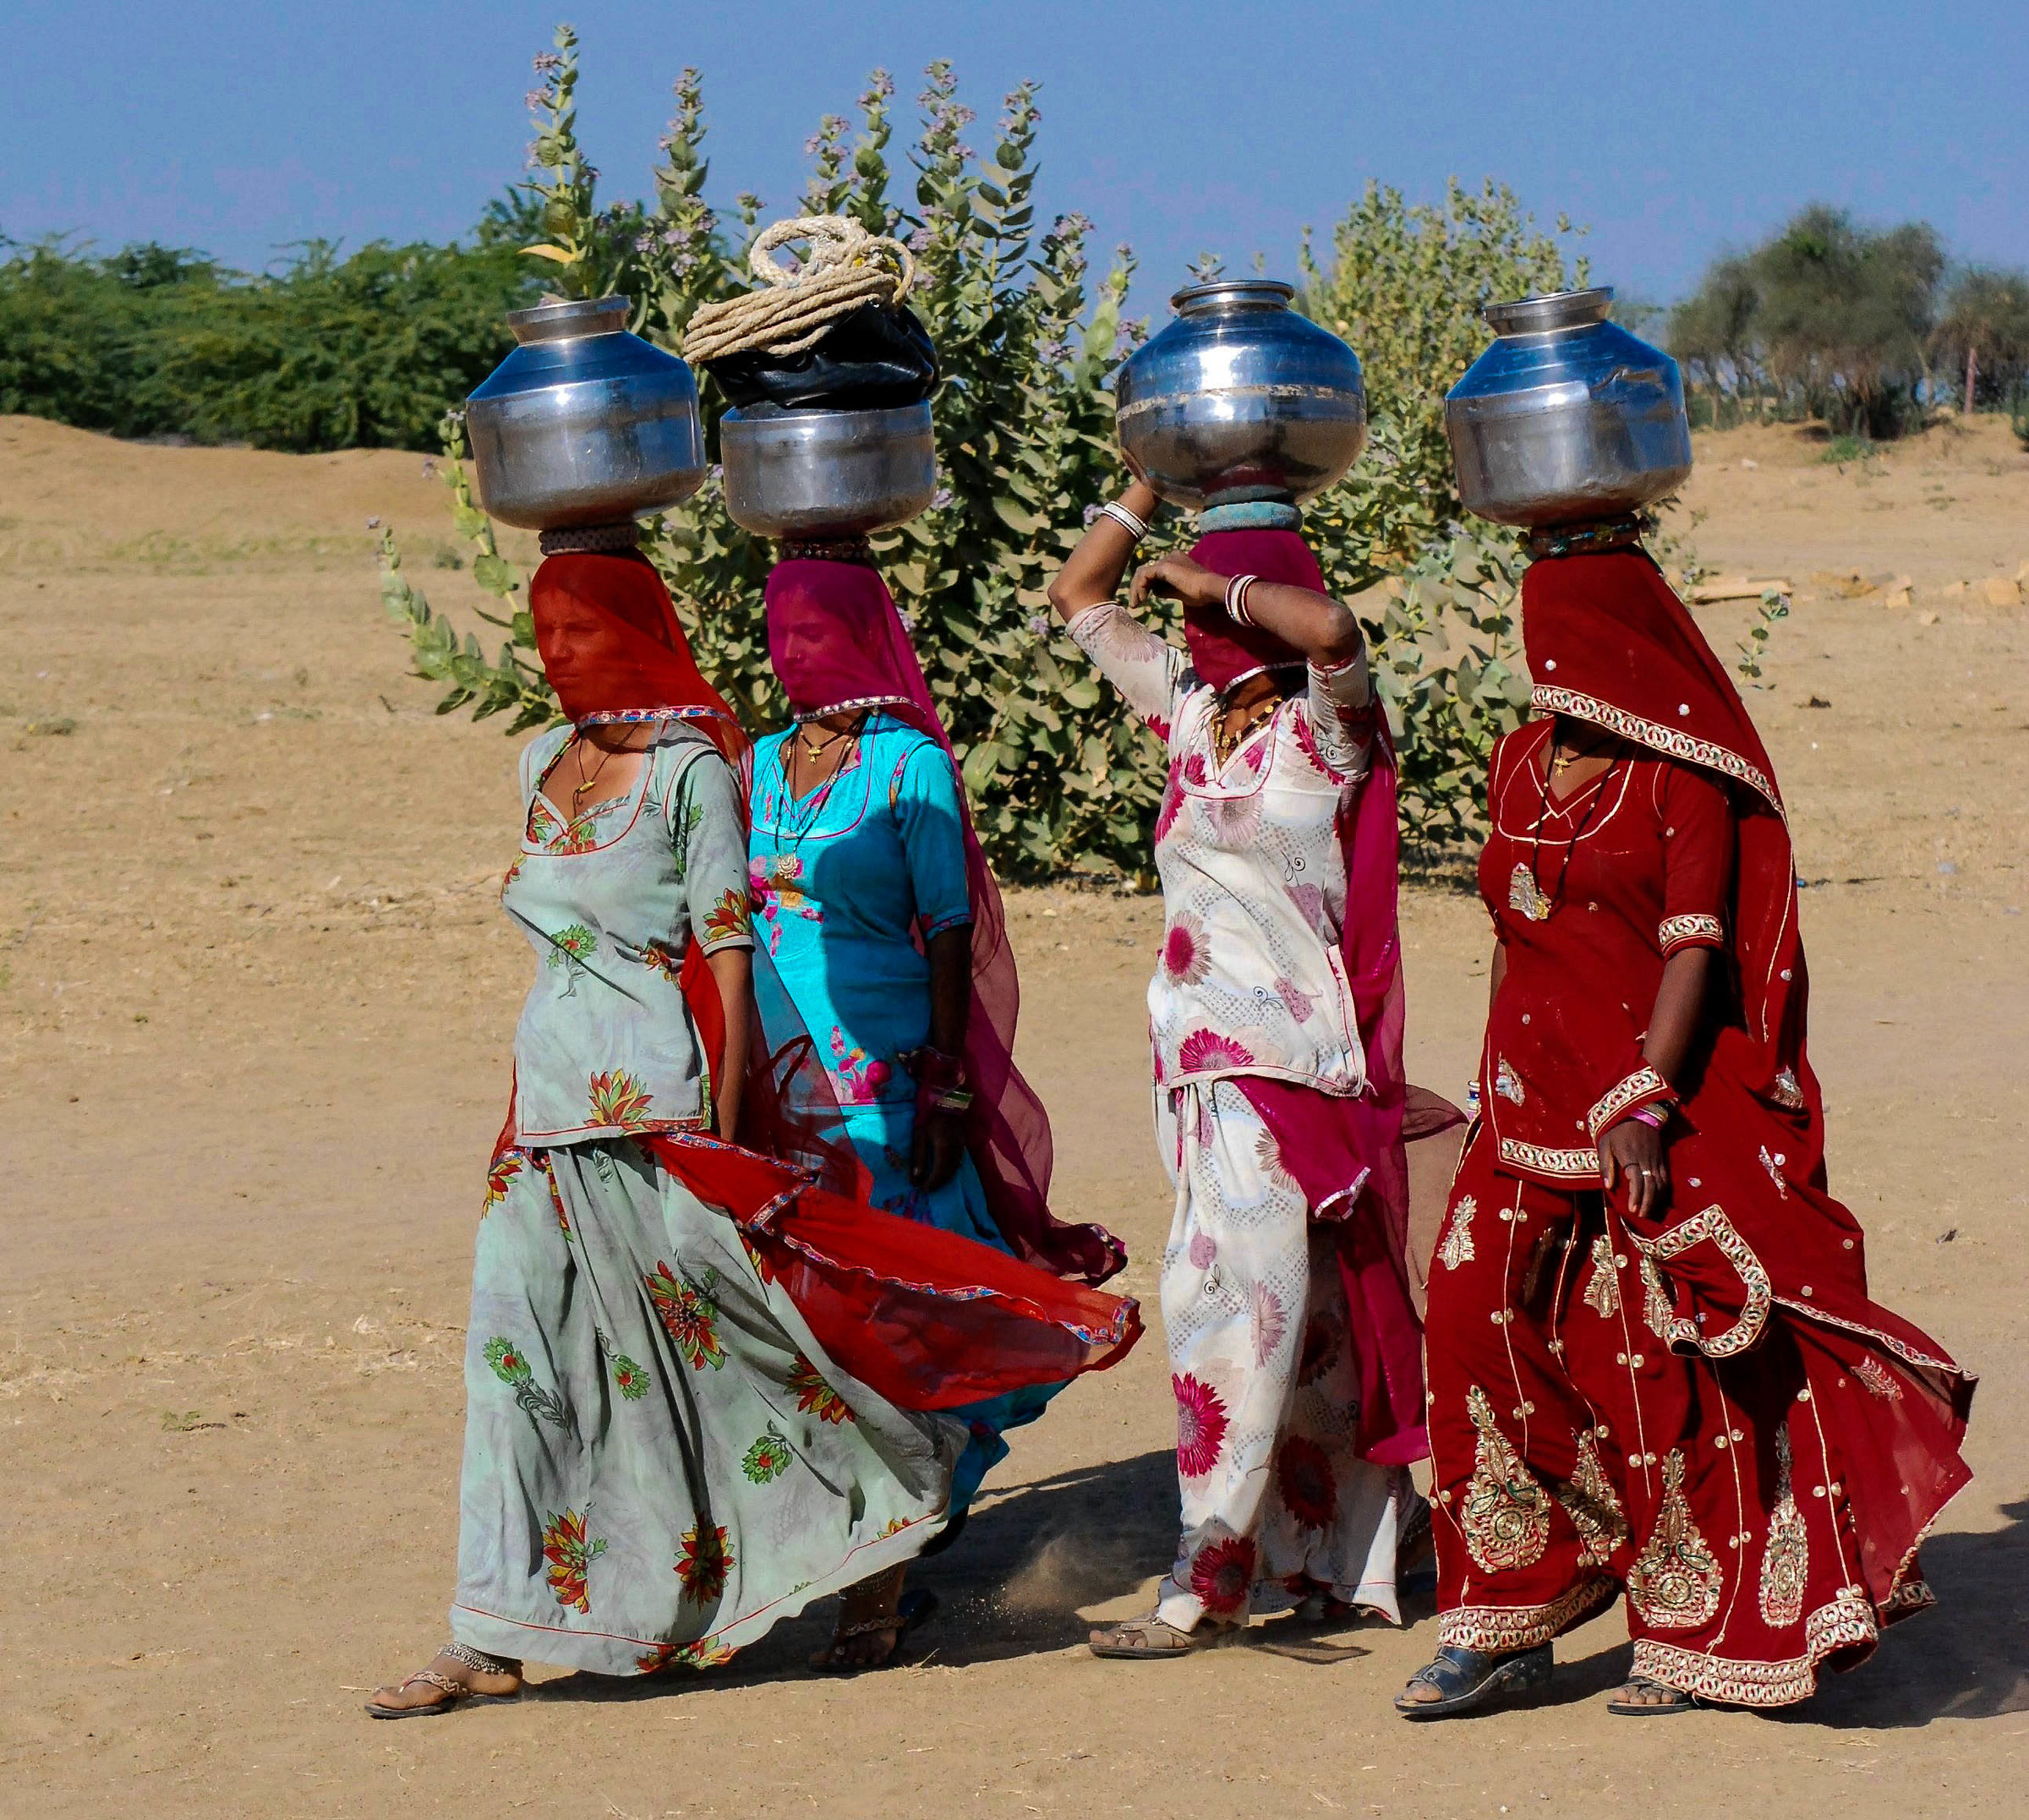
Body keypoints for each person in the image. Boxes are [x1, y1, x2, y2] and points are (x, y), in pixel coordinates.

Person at [367, 535, 1140, 1716]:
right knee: (516, 1367)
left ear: (632, 630)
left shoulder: (701, 774)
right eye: (546, 629)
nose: (555, 650)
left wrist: (743, 1136)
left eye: (580, 627)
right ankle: (490, 1630)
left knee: (746, 1341)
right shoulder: (539, 765)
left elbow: (730, 960)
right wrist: (518, 1116)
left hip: (679, 1112)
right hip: (546, 1120)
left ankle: (893, 1508)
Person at [1397, 535, 1974, 1719]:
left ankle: (1689, 1616)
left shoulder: (1680, 781)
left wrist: (1643, 1099)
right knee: (1468, 1327)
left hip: (1633, 1108)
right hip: (1519, 1099)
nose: (1549, 668)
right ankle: (1507, 1608)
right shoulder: (1514, 761)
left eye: (1570, 642)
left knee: (1646, 1365)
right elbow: (1518, 932)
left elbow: (1694, 948)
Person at [1047, 479, 1444, 1657]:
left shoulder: (1326, 726)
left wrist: (1205, 578)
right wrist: (1145, 491)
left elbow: (1334, 634)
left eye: (1237, 590)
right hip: (1196, 1070)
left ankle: (1205, 1574)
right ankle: (1357, 1553)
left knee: (1224, 1310)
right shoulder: (1190, 711)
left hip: (1291, 1069)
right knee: (1306, 1321)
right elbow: (1076, 597)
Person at [751, 542, 1130, 1664]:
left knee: (898, 1317)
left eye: (816, 627)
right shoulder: (756, 760)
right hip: (779, 1086)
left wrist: (951, 1081)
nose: (796, 648)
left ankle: (893, 1561)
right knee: (798, 1319)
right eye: (784, 628)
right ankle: (863, 1542)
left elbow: (951, 930)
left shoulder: (909, 764)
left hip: (882, 1082)